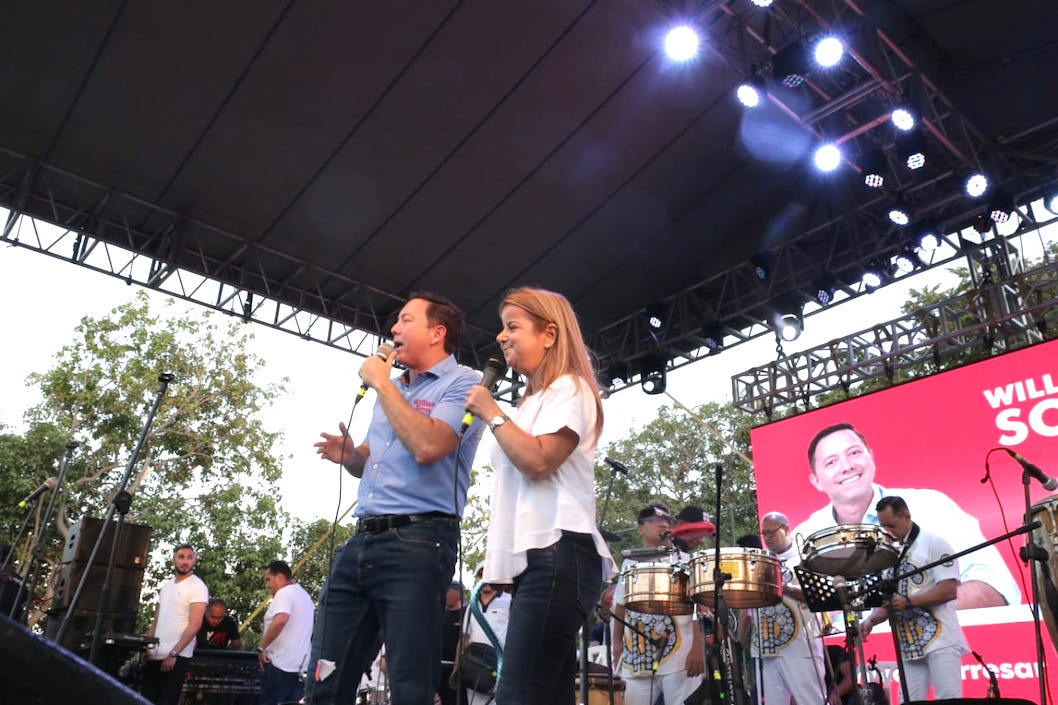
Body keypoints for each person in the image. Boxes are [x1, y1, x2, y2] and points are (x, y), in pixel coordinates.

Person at [308, 292, 485, 705]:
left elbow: (428, 446)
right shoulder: (393, 389)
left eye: (406, 320)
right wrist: (351, 456)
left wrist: (382, 384)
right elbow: (370, 459)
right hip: (362, 538)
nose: (393, 330)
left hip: (420, 540)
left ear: (437, 333)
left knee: (410, 683)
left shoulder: (465, 384)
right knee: (324, 674)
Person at [463, 286, 615, 705]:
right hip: (541, 563)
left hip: (559, 554)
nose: (500, 336)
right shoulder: (532, 402)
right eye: (502, 327)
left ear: (549, 334)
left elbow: (540, 461)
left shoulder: (572, 388)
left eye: (513, 326)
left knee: (517, 694)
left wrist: (492, 413)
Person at [794, 422, 1019, 609]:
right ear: (816, 481)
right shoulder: (802, 537)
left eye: (854, 453)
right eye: (831, 462)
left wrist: (909, 610)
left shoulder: (931, 506)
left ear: (871, 457)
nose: (847, 466)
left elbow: (997, 587)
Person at [860, 496, 969, 700]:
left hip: (940, 640)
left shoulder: (934, 543)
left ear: (906, 516)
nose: (888, 532)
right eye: (883, 527)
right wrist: (870, 621)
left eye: (891, 525)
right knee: (907, 701)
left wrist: (909, 602)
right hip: (908, 645)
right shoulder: (891, 553)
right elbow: (889, 602)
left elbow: (948, 590)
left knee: (949, 700)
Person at [612, 503, 705, 705]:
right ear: (641, 528)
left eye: (666, 522)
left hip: (679, 658)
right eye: (656, 522)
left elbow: (701, 607)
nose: (663, 526)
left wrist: (698, 647)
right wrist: (617, 644)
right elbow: (620, 606)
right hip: (636, 658)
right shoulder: (629, 563)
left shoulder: (685, 560)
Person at [738, 513, 826, 705]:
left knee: (811, 701)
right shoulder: (759, 562)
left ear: (786, 529)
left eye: (771, 532)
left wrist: (782, 586)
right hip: (766, 648)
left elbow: (816, 597)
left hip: (800, 647)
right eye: (764, 534)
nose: (767, 537)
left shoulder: (807, 558)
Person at [141, 544, 208, 705]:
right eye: (181, 557)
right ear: (174, 559)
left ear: (194, 560)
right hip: (155, 653)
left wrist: (174, 653)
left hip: (177, 656)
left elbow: (195, 624)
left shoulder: (197, 586)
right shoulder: (167, 586)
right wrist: (148, 646)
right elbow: (157, 619)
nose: (185, 561)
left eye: (189, 557)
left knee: (167, 700)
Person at [452, 565, 512, 705]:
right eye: (480, 574)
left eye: (488, 574)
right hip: (475, 671)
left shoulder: (509, 601)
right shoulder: (471, 607)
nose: (484, 578)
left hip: (499, 669)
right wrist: (456, 669)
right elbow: (464, 639)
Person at [258, 560, 315, 705]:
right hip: (300, 667)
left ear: (279, 577)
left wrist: (261, 647)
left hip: (279, 666)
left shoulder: (284, 593)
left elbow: (281, 620)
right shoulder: (305, 596)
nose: (267, 585)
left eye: (268, 579)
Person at [438, 580, 467, 705]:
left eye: (449, 591)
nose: (445, 594)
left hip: (458, 672)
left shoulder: (466, 613)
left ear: (458, 593)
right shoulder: (440, 614)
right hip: (439, 671)